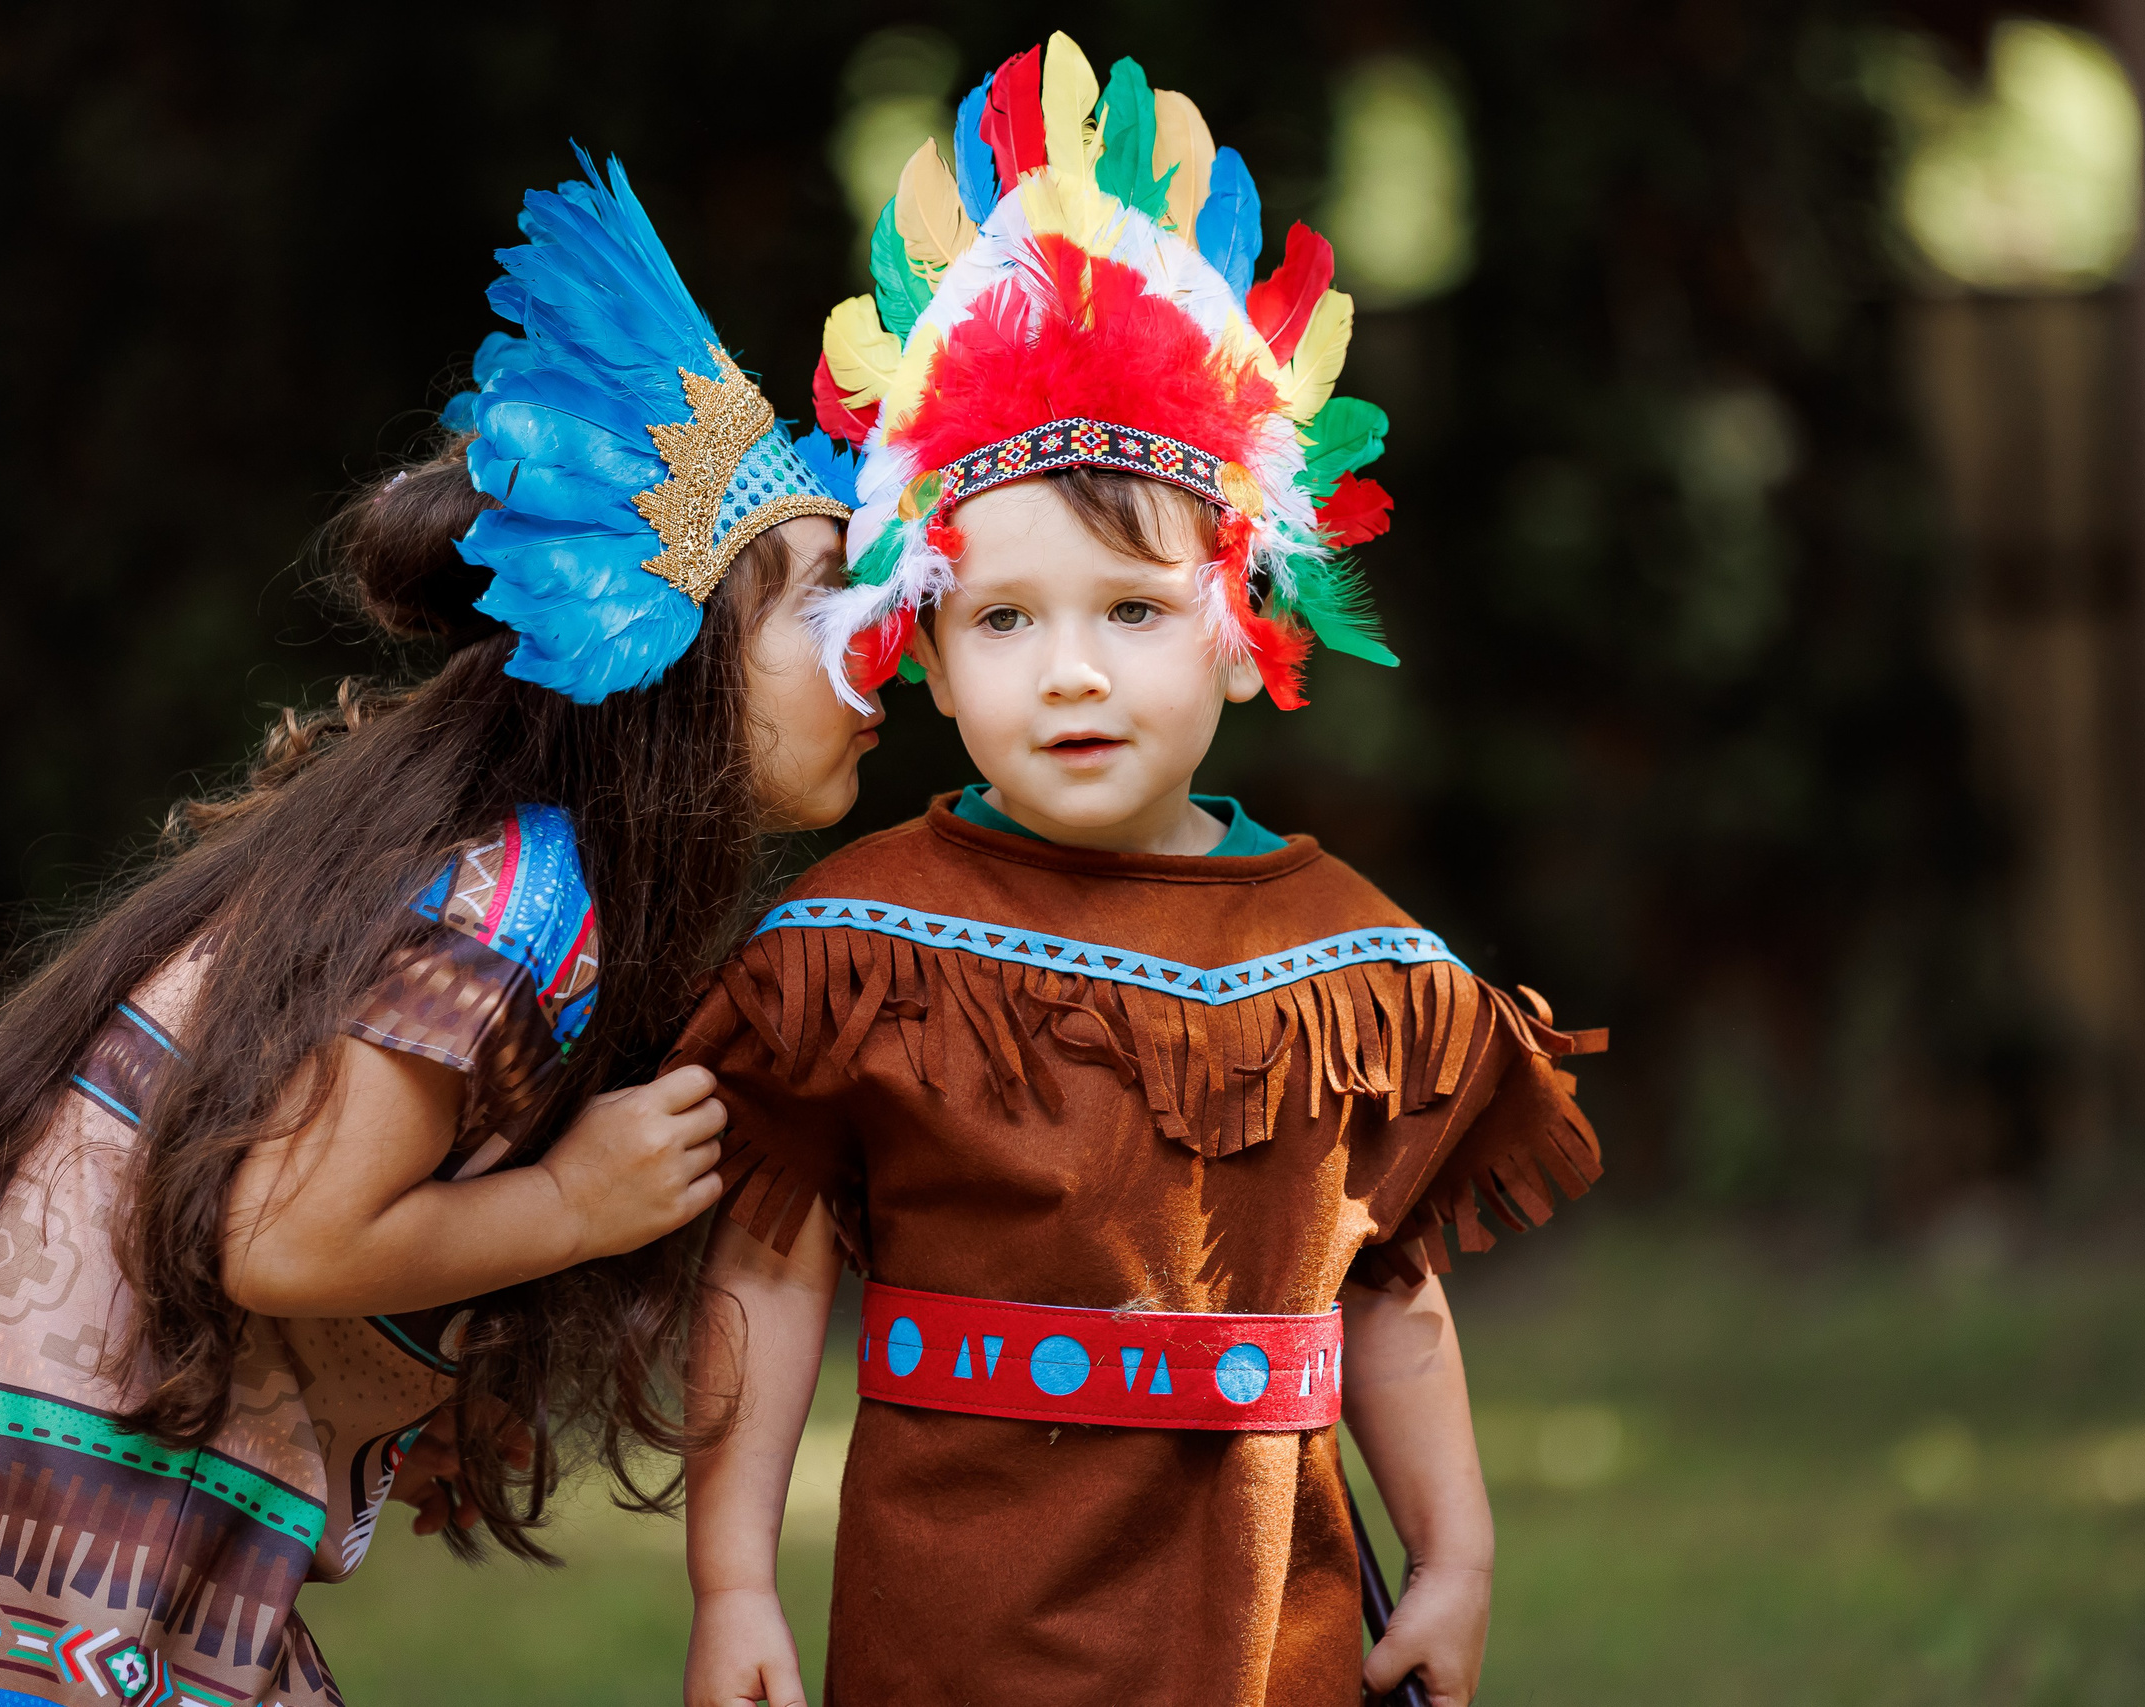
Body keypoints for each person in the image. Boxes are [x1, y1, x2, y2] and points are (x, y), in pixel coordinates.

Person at [0, 152, 875, 1707]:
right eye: (823, 600)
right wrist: (572, 1207)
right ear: (672, 650)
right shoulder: (516, 894)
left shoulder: (498, 867)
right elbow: (285, 1235)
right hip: (50, 1542)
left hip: (40, 1515)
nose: (880, 650)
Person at [672, 36, 1606, 1707]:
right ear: (927, 662)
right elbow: (765, 1262)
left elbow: (1388, 1280)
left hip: (1271, 1633)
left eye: (1133, 612)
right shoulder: (857, 948)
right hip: (954, 1629)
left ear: (1245, 634)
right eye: (1006, 621)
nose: (1073, 673)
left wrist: (1457, 1556)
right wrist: (733, 1581)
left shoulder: (1352, 969)